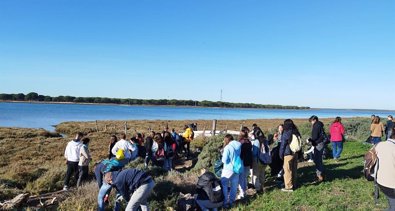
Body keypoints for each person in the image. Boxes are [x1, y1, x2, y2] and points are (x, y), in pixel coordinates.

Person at [279, 119, 301, 192]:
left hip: (288, 154)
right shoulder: (296, 132)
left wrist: (281, 154)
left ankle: (288, 186)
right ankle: (294, 184)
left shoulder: (286, 132)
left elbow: (283, 145)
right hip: (295, 153)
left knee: (287, 170)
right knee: (294, 169)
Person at [221, 134, 241, 208]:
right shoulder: (239, 145)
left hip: (228, 168)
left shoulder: (228, 147)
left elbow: (224, 160)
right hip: (237, 168)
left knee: (224, 184)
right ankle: (232, 202)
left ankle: (225, 202)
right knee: (234, 186)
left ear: (227, 140)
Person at [308, 115, 326, 182]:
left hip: (318, 144)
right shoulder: (320, 125)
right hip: (320, 143)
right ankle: (321, 174)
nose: (311, 123)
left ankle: (319, 176)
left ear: (314, 120)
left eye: (311, 121)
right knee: (319, 160)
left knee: (317, 160)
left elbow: (315, 137)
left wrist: (310, 140)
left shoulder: (316, 126)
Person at [238, 128, 253, 199]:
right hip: (248, 161)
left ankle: (242, 193)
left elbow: (240, 152)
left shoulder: (241, 142)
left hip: (242, 161)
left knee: (241, 178)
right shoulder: (249, 142)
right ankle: (245, 190)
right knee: (245, 177)